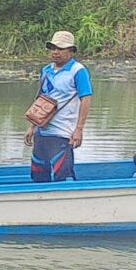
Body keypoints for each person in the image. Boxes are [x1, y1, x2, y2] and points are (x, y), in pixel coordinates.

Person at [24, 30, 91, 183]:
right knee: (38, 175)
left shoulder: (78, 71)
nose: (55, 52)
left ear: (71, 51)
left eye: (60, 49)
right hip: (42, 131)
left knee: (63, 176)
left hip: (62, 132)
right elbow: (40, 100)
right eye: (53, 48)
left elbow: (86, 100)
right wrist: (31, 127)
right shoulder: (46, 70)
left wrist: (79, 129)